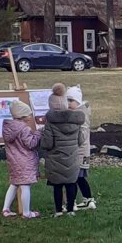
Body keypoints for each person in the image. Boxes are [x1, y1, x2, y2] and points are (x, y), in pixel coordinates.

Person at [41, 83, 84, 217]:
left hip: (56, 160)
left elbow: (47, 144)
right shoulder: (76, 121)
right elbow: (81, 140)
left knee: (57, 186)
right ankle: (70, 210)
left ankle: (59, 211)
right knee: (71, 184)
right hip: (72, 158)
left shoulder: (50, 124)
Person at [1, 99, 42, 219]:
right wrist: (38, 133)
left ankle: (5, 209)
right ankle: (26, 213)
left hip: (13, 161)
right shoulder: (24, 129)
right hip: (25, 161)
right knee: (25, 185)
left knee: (14, 184)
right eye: (29, 114)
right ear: (22, 116)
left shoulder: (8, 127)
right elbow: (31, 144)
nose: (30, 116)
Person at [66, 84, 96, 211]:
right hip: (80, 151)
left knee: (73, 179)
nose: (68, 103)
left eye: (71, 100)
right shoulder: (78, 113)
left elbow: (82, 134)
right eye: (67, 100)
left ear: (78, 101)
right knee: (79, 178)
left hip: (79, 151)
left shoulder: (80, 115)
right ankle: (88, 199)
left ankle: (71, 203)